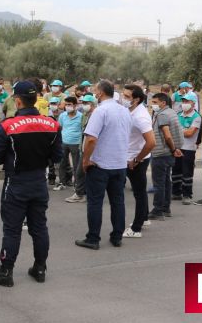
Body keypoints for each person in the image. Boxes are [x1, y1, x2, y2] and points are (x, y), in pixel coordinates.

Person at [0, 81, 61, 287]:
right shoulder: (52, 124)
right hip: (39, 181)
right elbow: (58, 156)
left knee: (12, 229)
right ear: (35, 99)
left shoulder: (7, 126)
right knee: (39, 227)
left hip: (16, 182)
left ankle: (5, 271)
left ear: (17, 101)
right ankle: (40, 268)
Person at [76, 80, 132, 250]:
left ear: (100, 93)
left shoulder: (100, 111)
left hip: (100, 165)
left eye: (95, 91)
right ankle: (117, 236)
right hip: (119, 164)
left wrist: (85, 160)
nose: (94, 93)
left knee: (95, 202)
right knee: (117, 201)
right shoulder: (125, 111)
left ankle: (93, 238)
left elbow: (91, 138)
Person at [121, 85, 156, 238]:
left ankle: (136, 228)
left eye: (127, 96)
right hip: (129, 157)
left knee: (139, 193)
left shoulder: (140, 116)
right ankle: (145, 218)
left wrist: (136, 159)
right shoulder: (131, 111)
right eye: (123, 95)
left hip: (135, 160)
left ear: (137, 99)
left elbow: (151, 142)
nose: (123, 98)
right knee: (139, 191)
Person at [147, 93, 184, 221]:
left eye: (155, 102)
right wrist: (174, 149)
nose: (153, 105)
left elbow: (167, 135)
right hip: (168, 153)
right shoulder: (172, 112)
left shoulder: (162, 115)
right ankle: (166, 208)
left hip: (161, 153)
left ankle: (157, 210)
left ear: (163, 103)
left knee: (159, 184)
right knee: (167, 182)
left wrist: (174, 149)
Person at [65, 94, 97, 203]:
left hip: (90, 148)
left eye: (86, 103)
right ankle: (84, 193)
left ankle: (79, 194)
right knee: (83, 172)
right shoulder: (85, 115)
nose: (83, 105)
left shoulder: (95, 115)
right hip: (83, 146)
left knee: (80, 172)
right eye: (83, 103)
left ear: (92, 104)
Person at [172, 94, 202, 204]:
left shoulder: (196, 117)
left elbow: (190, 133)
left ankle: (187, 195)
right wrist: (182, 131)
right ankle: (175, 192)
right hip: (177, 147)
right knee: (175, 170)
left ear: (193, 103)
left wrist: (177, 131)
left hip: (189, 148)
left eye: (187, 102)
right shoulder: (178, 114)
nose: (184, 104)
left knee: (187, 172)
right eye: (183, 101)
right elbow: (171, 130)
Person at [54, 97, 82, 191]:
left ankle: (77, 184)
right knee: (62, 163)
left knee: (76, 165)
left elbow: (82, 130)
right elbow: (60, 128)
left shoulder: (81, 116)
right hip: (64, 142)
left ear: (75, 105)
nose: (67, 106)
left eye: (69, 104)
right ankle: (62, 183)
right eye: (66, 105)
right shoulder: (62, 116)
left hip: (76, 143)